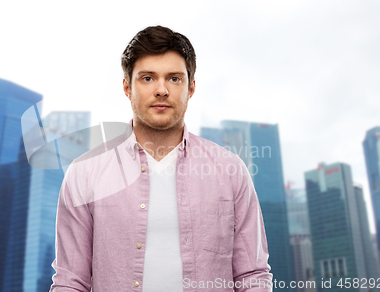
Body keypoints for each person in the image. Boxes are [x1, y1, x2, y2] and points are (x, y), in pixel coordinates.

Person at [50, 25, 273, 292]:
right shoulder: (84, 173)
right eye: (147, 78)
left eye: (174, 79)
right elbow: (70, 281)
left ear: (190, 88)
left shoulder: (230, 171)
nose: (161, 90)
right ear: (127, 88)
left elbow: (252, 276)